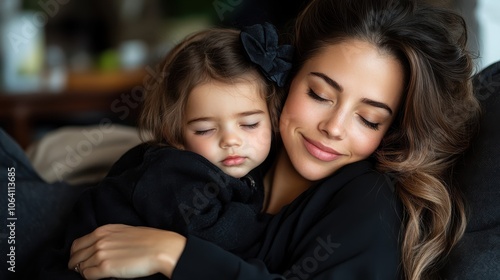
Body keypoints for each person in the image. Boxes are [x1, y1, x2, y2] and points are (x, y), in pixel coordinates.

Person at [0, 0, 479, 279]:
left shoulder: (367, 201)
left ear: (392, 131)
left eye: (369, 119)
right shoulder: (247, 149)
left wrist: (174, 253)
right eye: (318, 94)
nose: (334, 127)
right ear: (286, 80)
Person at [31, 24, 293, 278]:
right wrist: (271, 227)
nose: (231, 140)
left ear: (272, 118)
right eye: (204, 130)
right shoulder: (174, 173)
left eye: (249, 124)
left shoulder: (251, 165)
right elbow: (216, 239)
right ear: (175, 134)